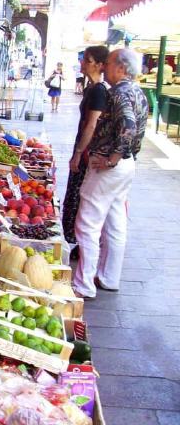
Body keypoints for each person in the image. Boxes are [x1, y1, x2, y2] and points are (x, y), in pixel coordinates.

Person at [73, 48, 149, 299]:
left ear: (122, 68)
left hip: (110, 166)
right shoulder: (138, 92)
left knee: (87, 224)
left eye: (109, 63)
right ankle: (109, 277)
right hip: (127, 166)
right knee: (115, 223)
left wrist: (112, 158)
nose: (104, 67)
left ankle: (84, 284)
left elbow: (127, 125)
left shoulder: (118, 93)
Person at [61, 46, 110, 253]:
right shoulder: (91, 88)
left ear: (99, 65)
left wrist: (79, 154)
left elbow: (91, 124)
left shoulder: (99, 91)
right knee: (76, 195)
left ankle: (83, 246)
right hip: (82, 147)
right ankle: (79, 244)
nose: (82, 63)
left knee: (80, 197)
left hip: (88, 152)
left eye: (87, 60)